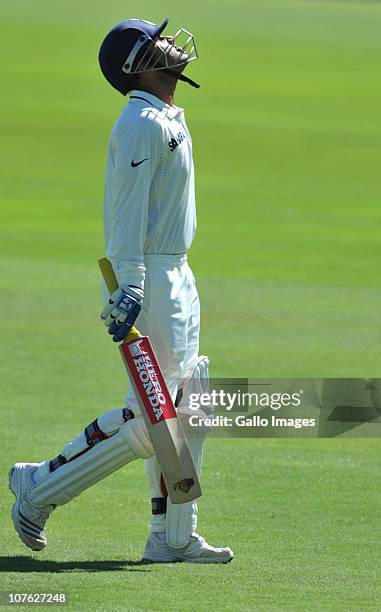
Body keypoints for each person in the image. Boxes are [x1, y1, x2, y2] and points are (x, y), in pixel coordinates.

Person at [8, 17, 233, 564]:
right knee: (154, 415)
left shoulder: (164, 116)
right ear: (137, 64)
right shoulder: (140, 124)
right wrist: (130, 284)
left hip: (177, 272)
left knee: (186, 400)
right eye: (158, 42)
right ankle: (38, 487)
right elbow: (125, 214)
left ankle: (174, 538)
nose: (173, 45)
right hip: (152, 278)